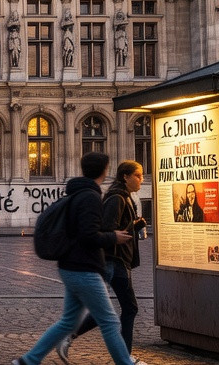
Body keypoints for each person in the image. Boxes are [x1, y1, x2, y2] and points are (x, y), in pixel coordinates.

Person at [13, 152, 135, 365]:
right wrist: (113, 237)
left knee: (68, 322)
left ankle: (28, 360)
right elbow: (88, 236)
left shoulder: (76, 193)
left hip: (70, 266)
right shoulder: (91, 197)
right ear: (104, 170)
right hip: (84, 269)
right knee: (110, 321)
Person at [58, 160, 146, 363]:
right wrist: (130, 229)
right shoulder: (117, 198)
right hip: (114, 260)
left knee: (110, 309)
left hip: (117, 260)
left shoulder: (122, 196)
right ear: (125, 176)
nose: (141, 179)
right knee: (126, 308)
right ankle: (125, 357)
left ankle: (71, 335)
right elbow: (107, 228)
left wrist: (133, 225)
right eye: (138, 175)